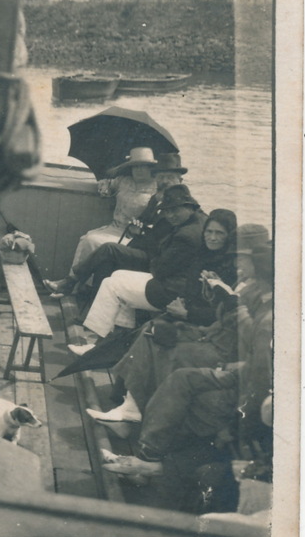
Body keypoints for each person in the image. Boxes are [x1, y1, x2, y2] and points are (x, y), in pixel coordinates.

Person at [100, 242, 273, 480]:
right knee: (155, 333)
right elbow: (232, 325)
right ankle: (134, 417)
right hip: (227, 353)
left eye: (245, 259)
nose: (240, 263)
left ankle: (146, 453)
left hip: (236, 371)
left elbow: (253, 353)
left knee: (177, 366)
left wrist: (234, 308)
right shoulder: (253, 289)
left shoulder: (271, 313)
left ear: (260, 268)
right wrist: (216, 297)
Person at [85, 215, 252, 430]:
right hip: (191, 315)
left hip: (206, 329)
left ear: (229, 236)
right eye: (209, 232)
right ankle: (126, 403)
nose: (212, 237)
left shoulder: (230, 268)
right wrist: (181, 303)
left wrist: (187, 313)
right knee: (148, 330)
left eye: (219, 233)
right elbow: (194, 291)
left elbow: (220, 313)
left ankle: (130, 409)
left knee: (153, 334)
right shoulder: (202, 255)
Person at [69, 184, 207, 353]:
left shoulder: (186, 235)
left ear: (189, 206)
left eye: (175, 210)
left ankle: (96, 343)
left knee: (111, 285)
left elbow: (159, 270)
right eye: (168, 211)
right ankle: (120, 334)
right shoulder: (198, 220)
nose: (170, 215)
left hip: (172, 291)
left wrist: (151, 248)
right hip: (179, 283)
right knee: (118, 275)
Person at [46, 152, 189, 296]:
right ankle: (88, 295)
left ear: (180, 180)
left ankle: (71, 282)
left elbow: (165, 238)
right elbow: (147, 222)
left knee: (109, 249)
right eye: (161, 177)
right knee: (96, 249)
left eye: (170, 178)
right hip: (140, 244)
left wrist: (142, 232)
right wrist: (137, 228)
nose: (164, 181)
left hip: (156, 259)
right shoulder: (156, 198)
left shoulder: (181, 208)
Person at [67, 147, 158, 271]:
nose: (138, 170)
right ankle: (78, 284)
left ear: (150, 168)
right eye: (135, 166)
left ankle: (77, 282)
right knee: (87, 239)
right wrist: (104, 187)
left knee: (95, 241)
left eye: (143, 166)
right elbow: (106, 183)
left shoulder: (156, 187)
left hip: (135, 235)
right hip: (114, 228)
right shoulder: (123, 181)